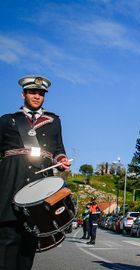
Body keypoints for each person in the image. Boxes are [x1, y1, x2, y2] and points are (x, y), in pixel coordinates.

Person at [0, 75, 71, 270]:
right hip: (10, 181)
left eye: (41, 93)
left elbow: (59, 150)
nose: (37, 96)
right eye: (33, 92)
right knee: (7, 238)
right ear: (23, 94)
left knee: (30, 240)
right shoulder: (8, 120)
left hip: (39, 185)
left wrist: (61, 160)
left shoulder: (53, 121)